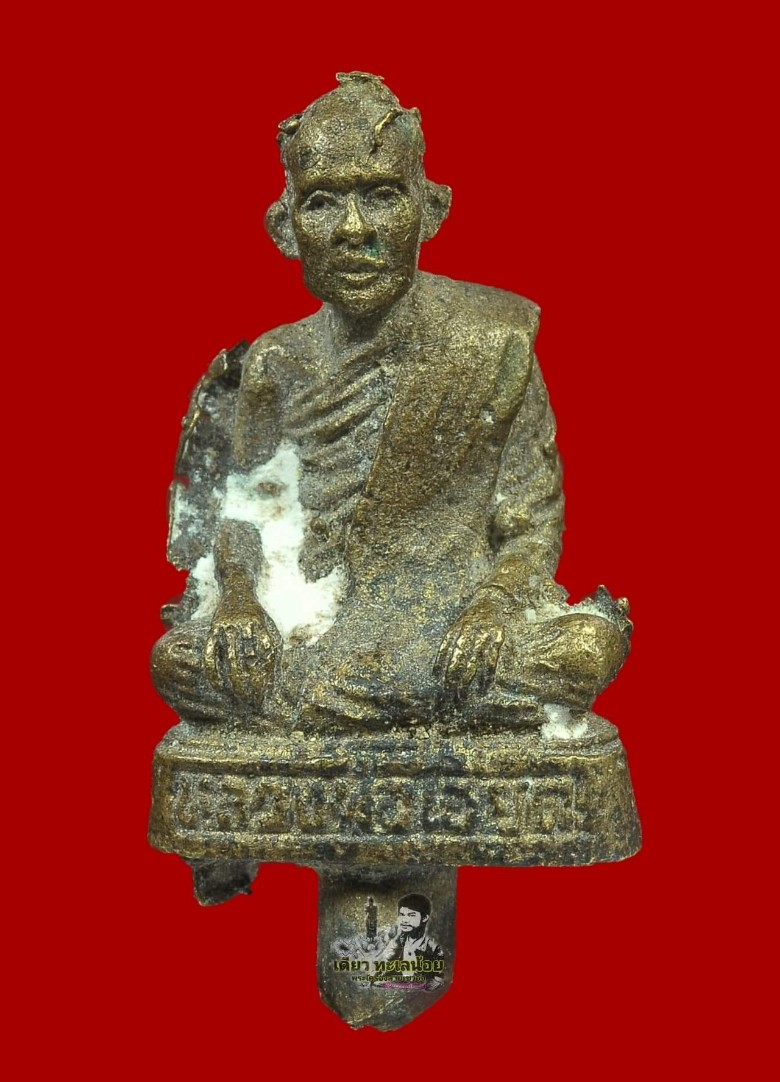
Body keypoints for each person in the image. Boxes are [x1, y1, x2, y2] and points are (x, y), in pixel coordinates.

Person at [151, 72, 631, 732]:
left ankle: (325, 707)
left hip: (450, 631)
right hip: (315, 621)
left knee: (585, 649)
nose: (353, 230)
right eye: (322, 202)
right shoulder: (275, 362)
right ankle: (389, 707)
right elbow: (247, 515)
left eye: (381, 196)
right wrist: (237, 600)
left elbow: (529, 525)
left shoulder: (493, 342)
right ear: (285, 227)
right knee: (178, 661)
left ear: (429, 210)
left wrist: (494, 605)